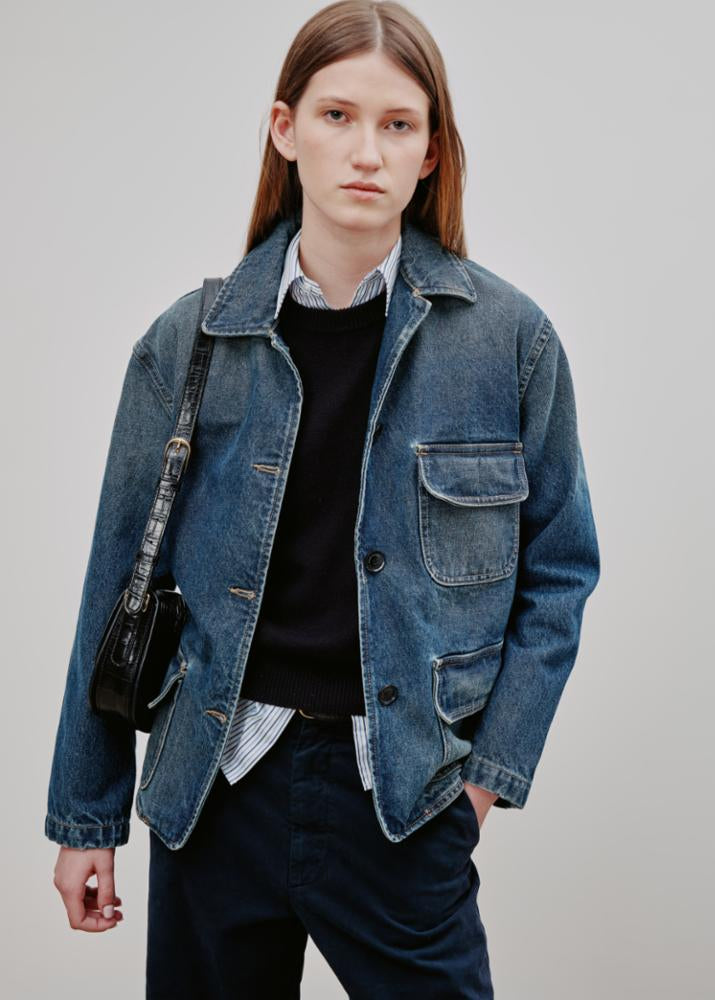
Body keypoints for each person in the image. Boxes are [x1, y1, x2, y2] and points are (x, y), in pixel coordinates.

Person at [45, 1, 600, 996]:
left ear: (431, 152)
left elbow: (559, 573)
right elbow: (116, 576)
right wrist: (87, 815)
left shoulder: (509, 343)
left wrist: (482, 784)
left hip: (401, 794)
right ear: (284, 128)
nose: (365, 151)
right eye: (337, 115)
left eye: (398, 124)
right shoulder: (192, 340)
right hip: (217, 783)